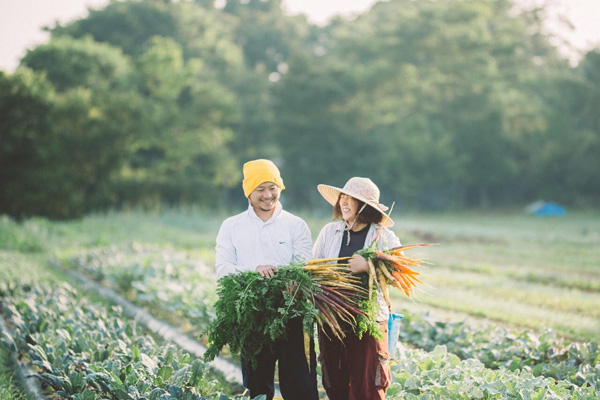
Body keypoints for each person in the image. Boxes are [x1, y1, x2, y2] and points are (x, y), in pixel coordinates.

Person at [215, 159, 319, 400]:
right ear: (248, 193)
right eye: (260, 189)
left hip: (292, 313)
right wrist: (255, 269)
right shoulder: (232, 226)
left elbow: (303, 266)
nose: (267, 195)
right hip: (252, 315)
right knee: (257, 386)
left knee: (300, 384)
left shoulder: (296, 225)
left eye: (272, 187)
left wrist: (296, 283)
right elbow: (223, 269)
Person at [312, 176, 401, 400]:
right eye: (342, 197)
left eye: (351, 198)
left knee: (368, 385)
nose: (344, 202)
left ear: (365, 207)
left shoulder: (382, 236)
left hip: (367, 321)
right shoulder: (329, 232)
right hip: (332, 319)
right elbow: (312, 268)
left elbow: (399, 273)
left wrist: (369, 265)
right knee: (335, 381)